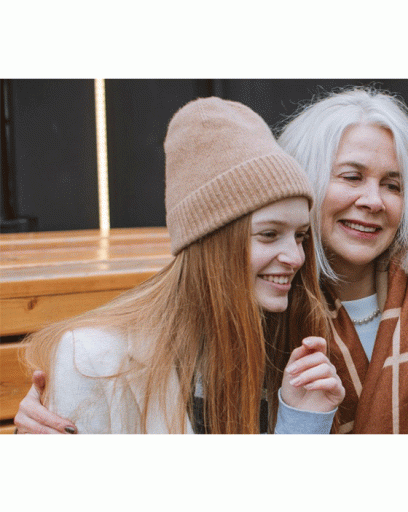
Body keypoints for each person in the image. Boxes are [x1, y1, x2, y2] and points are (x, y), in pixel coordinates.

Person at [16, 87, 408, 435]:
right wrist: (43, 433)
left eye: (393, 185)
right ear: (308, 184)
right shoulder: (270, 296)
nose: (372, 201)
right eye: (351, 177)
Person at [15, 97, 343, 434]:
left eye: (300, 235)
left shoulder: (288, 347)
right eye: (270, 234)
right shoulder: (93, 358)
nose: (295, 257)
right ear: (209, 242)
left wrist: (303, 423)